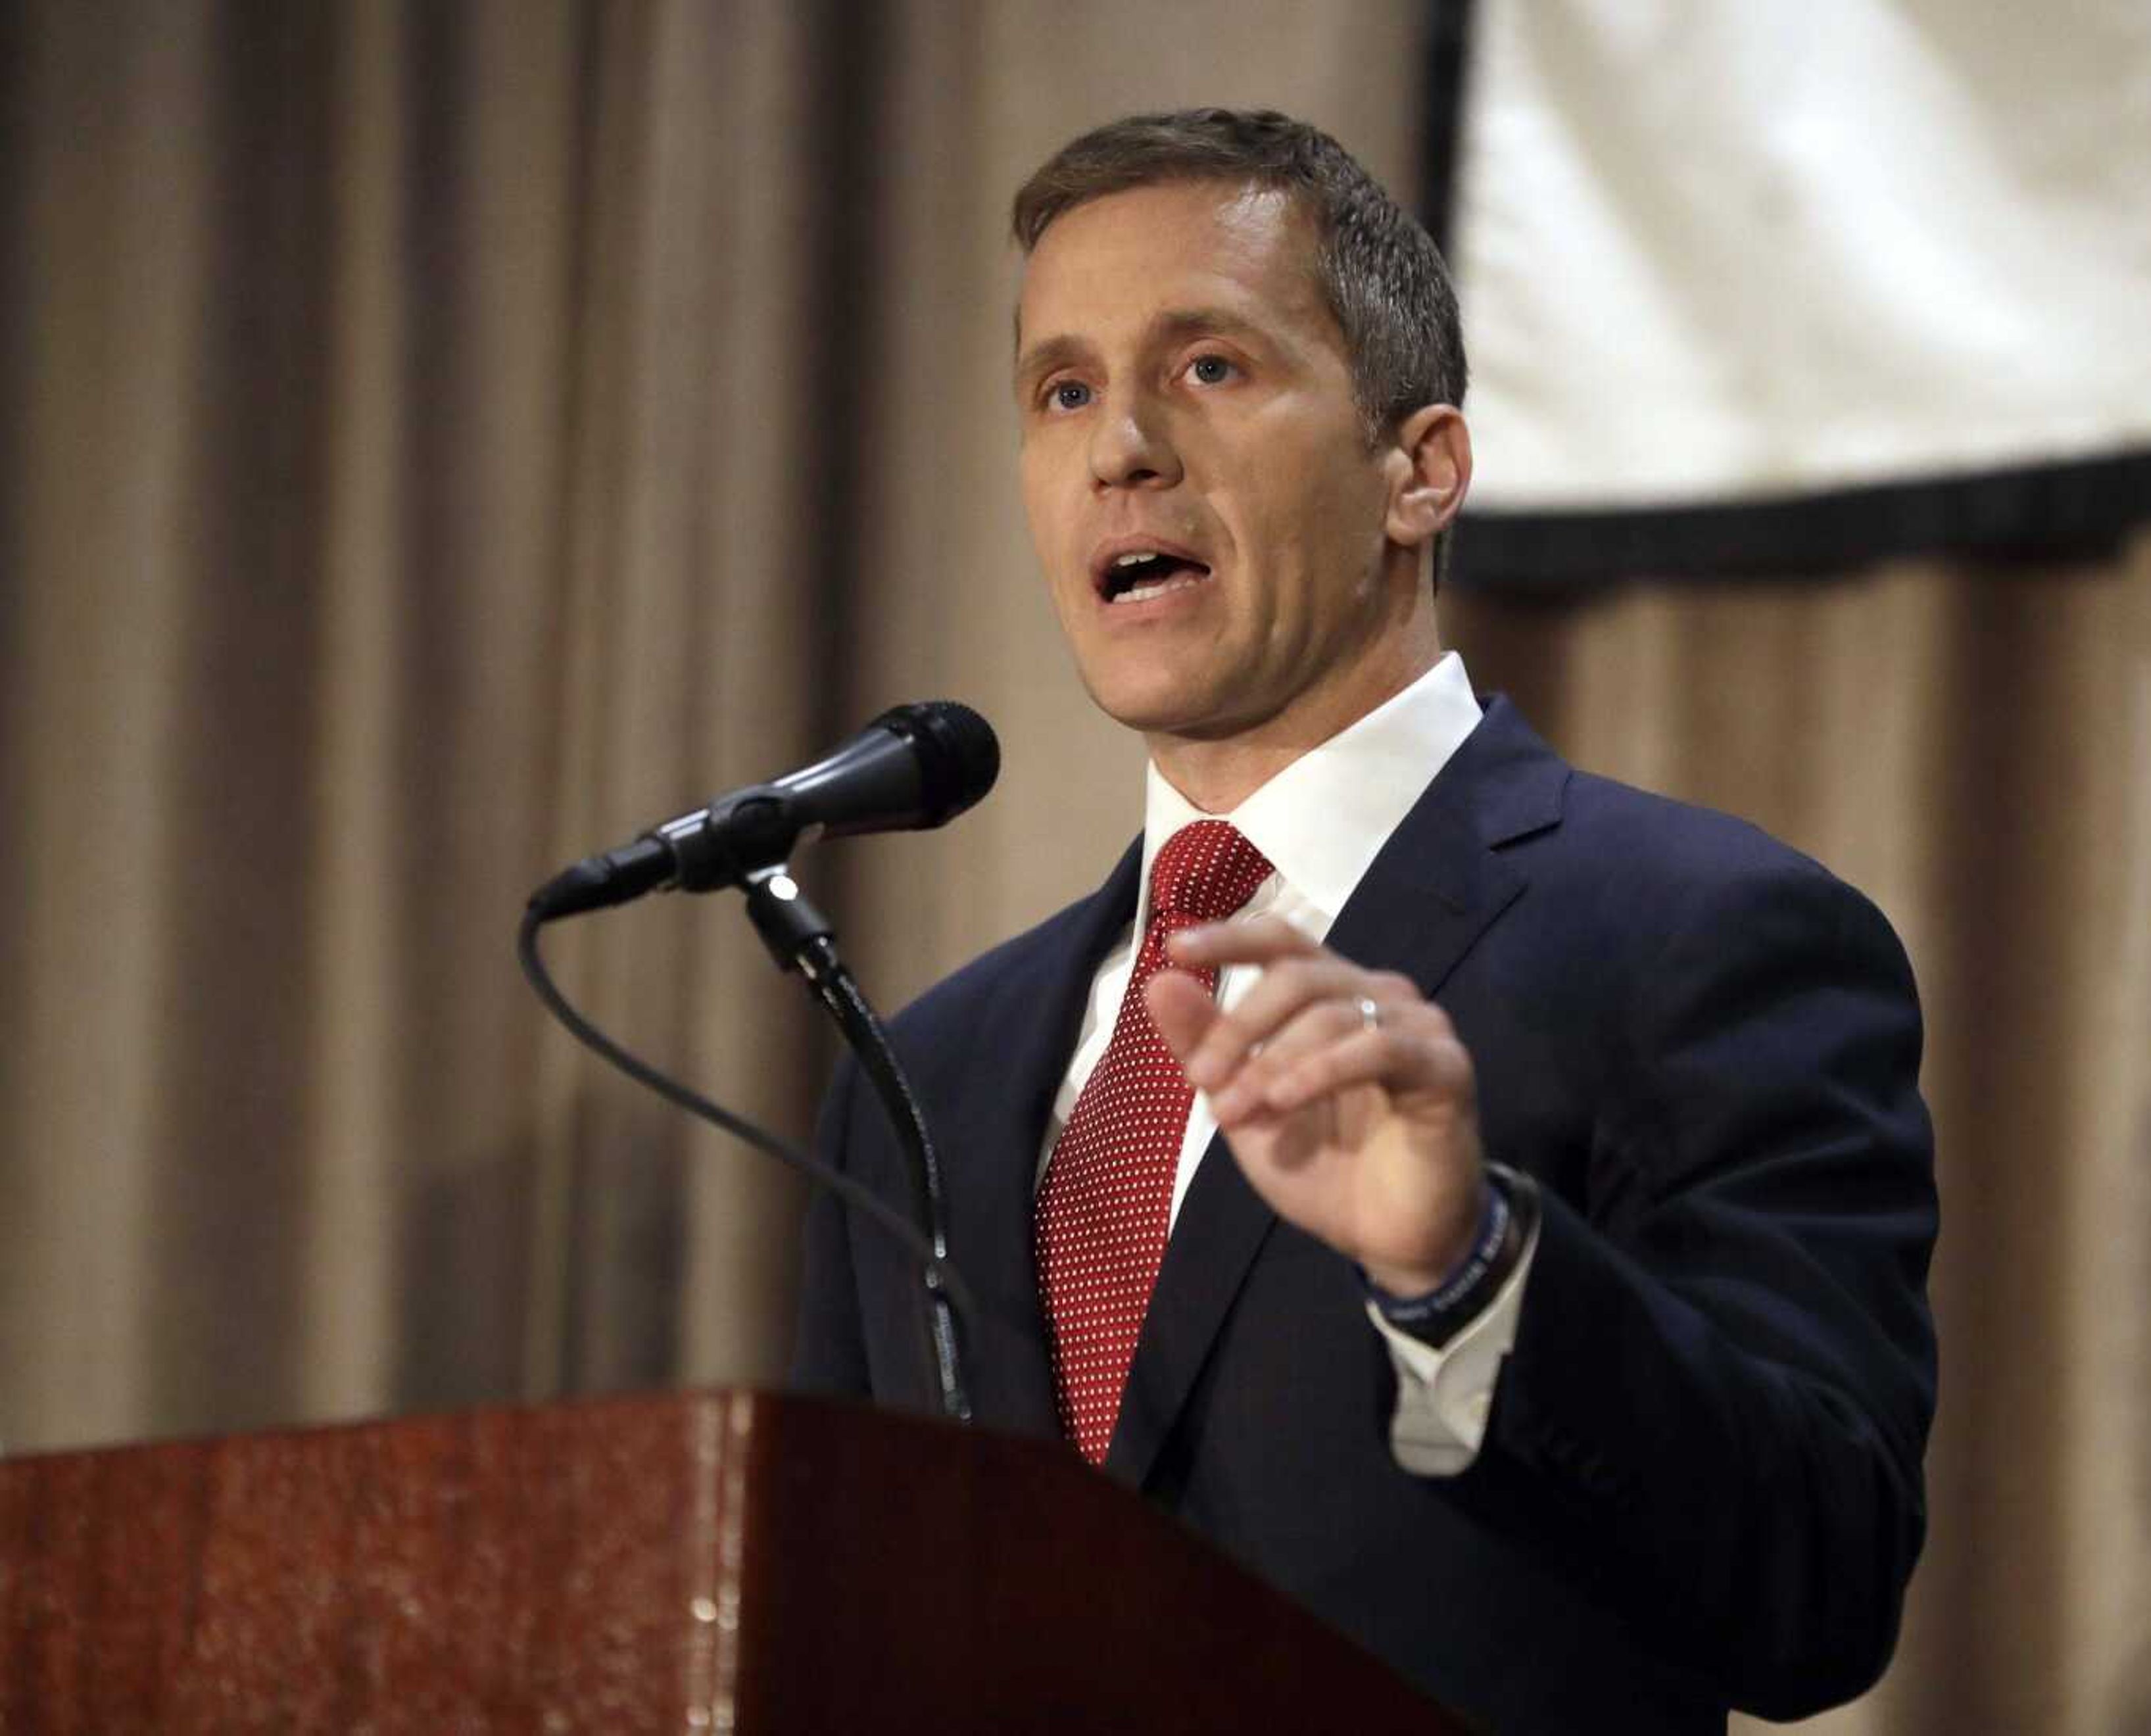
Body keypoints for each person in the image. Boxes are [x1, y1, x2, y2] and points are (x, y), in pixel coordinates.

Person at [794, 108, 1937, 1734]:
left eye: (1207, 368)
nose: (1120, 443)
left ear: (1422, 469)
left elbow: (1821, 1582)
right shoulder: (923, 1069)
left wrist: (1465, 1267)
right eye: (1063, 390)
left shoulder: (1703, 938)